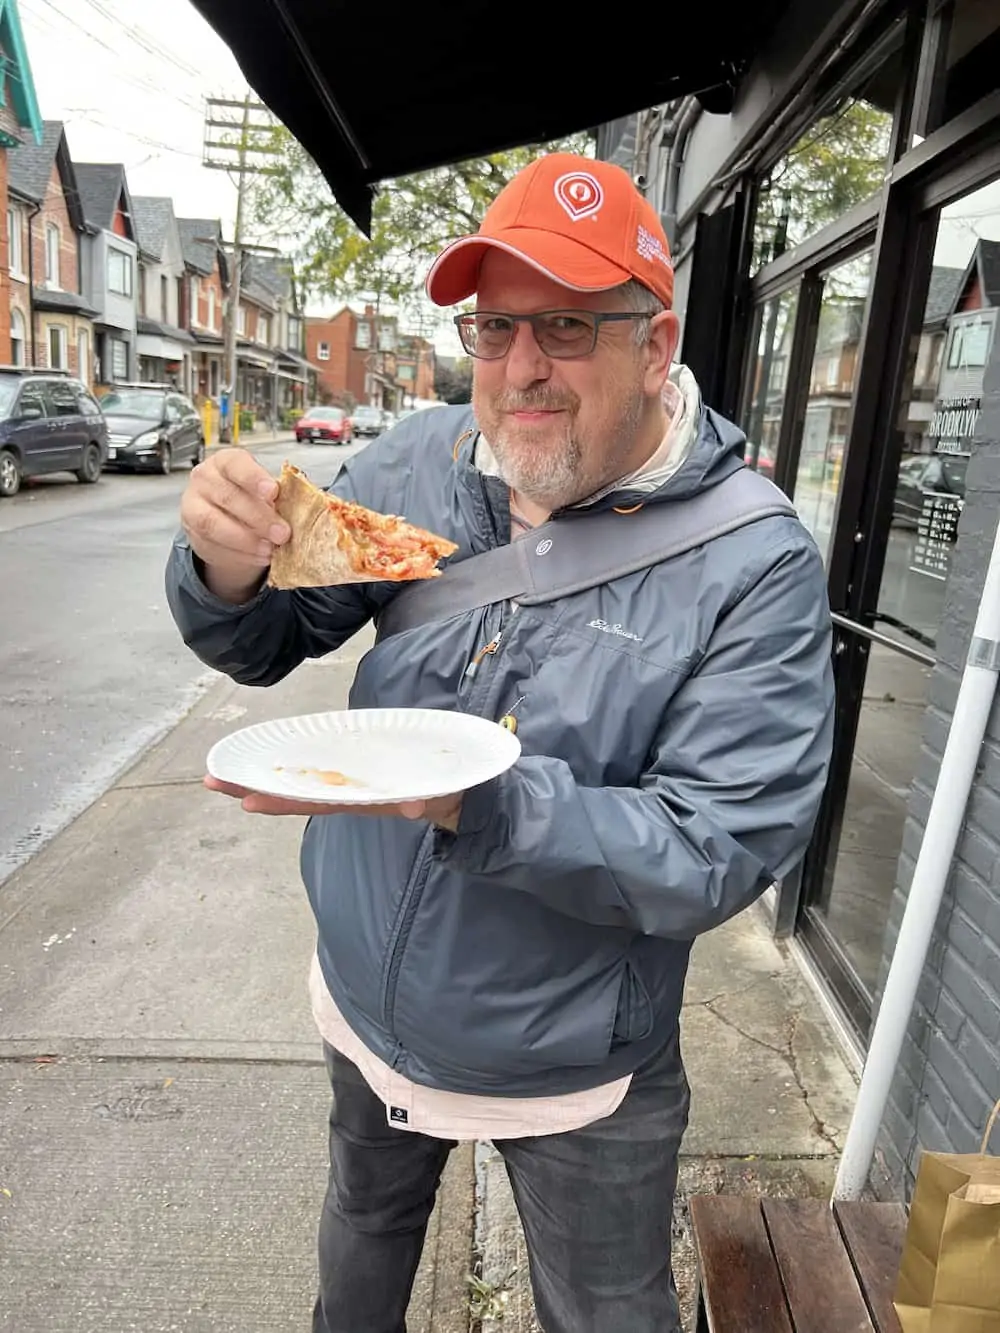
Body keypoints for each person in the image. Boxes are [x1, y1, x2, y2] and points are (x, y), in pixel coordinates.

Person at [166, 152, 835, 1333]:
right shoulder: (415, 462)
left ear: (656, 339)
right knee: (363, 1234)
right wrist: (227, 566)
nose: (522, 367)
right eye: (495, 328)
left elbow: (716, 843)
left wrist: (475, 798)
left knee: (606, 1305)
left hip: (573, 1057)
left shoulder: (755, 561)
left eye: (569, 327)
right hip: (366, 995)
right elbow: (271, 636)